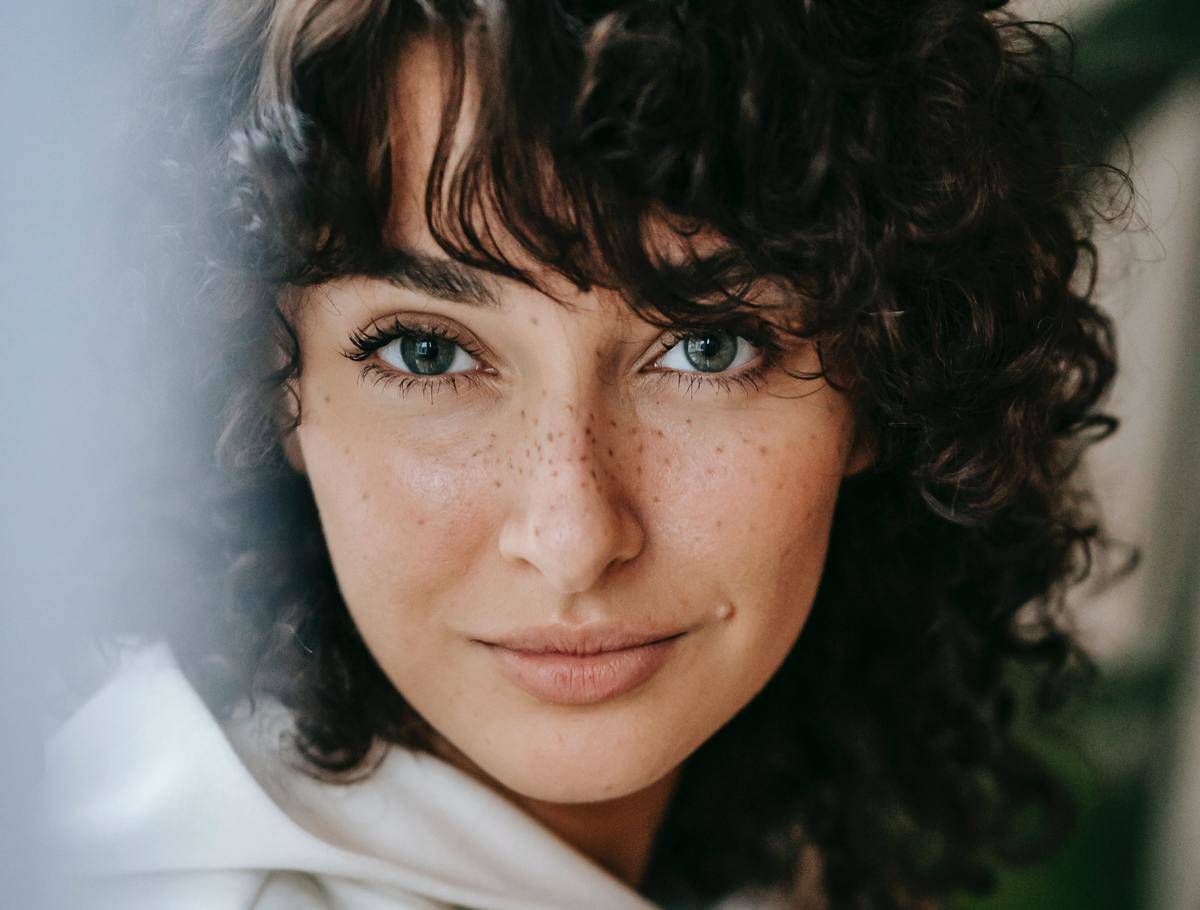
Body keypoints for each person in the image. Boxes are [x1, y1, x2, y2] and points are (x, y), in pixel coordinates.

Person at [40, 1, 1134, 908]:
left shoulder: (774, 860)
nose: (572, 537)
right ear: (263, 385)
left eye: (707, 347)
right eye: (427, 352)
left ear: (887, 373)